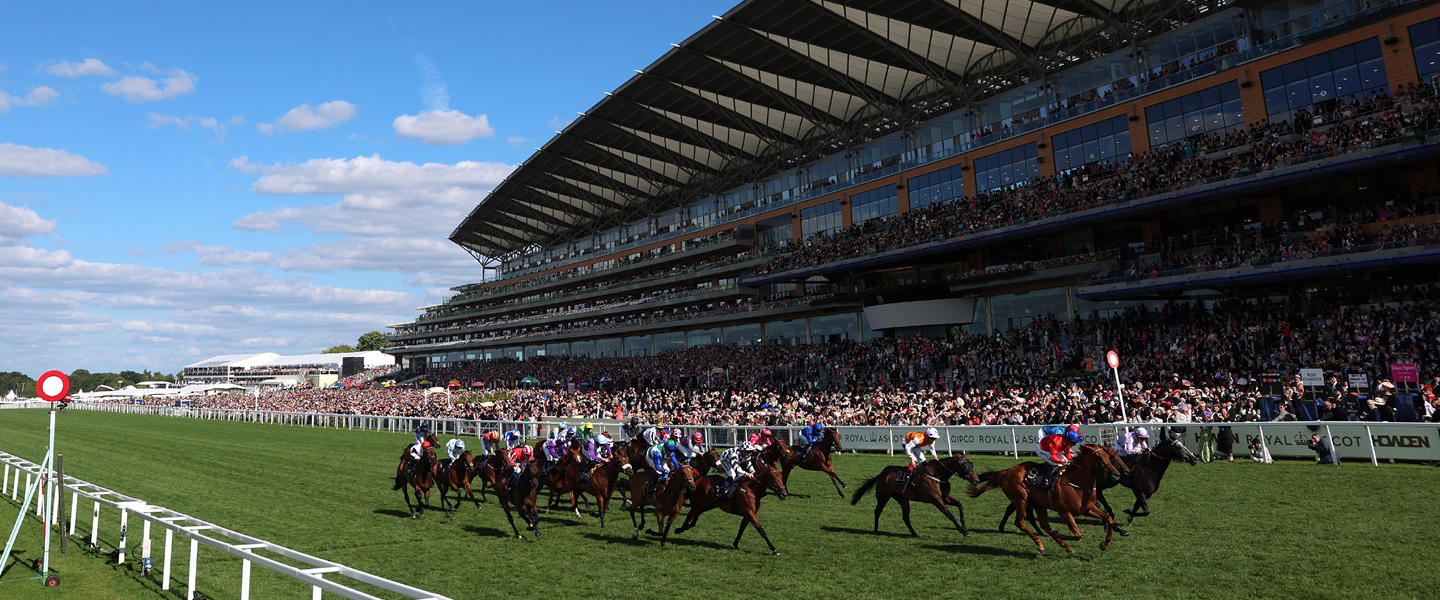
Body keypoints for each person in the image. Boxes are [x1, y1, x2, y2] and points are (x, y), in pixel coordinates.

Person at [1036, 424, 1084, 489]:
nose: (1075, 445)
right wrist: (1067, 460)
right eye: (1073, 443)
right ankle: (1045, 482)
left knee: (1066, 463)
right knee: (1057, 464)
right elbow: (1053, 458)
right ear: (1068, 440)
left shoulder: (1067, 442)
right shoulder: (1057, 442)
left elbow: (1067, 453)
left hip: (1050, 449)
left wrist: (1071, 461)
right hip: (1042, 449)